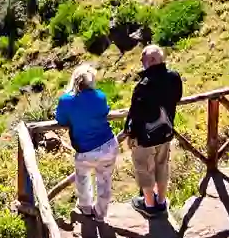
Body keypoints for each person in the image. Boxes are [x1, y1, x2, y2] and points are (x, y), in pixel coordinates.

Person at [54, 64, 118, 221]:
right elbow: (105, 111)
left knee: (82, 177)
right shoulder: (100, 96)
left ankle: (86, 207)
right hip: (108, 144)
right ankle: (100, 214)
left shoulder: (66, 100)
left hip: (85, 149)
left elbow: (61, 119)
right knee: (104, 181)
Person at [125, 45, 182, 216]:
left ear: (151, 61)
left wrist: (131, 135)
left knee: (144, 170)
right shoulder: (173, 77)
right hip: (165, 132)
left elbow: (135, 114)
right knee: (162, 167)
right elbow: (177, 97)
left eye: (143, 60)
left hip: (146, 137)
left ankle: (149, 205)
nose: (141, 63)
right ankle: (162, 201)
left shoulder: (144, 85)